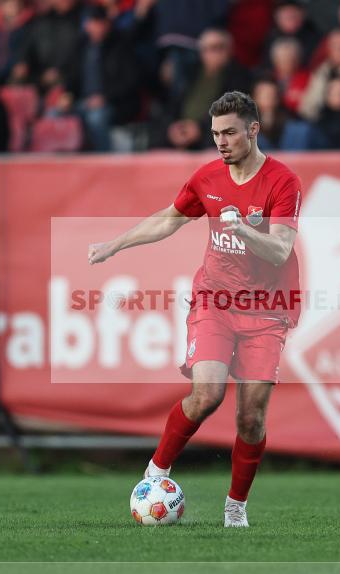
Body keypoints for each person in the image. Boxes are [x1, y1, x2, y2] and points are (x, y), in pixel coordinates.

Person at [88, 91, 302, 528]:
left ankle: (235, 506)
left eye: (229, 133)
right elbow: (169, 218)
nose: (221, 142)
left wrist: (243, 228)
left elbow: (280, 250)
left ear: (253, 130)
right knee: (207, 395)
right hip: (215, 301)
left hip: (266, 309)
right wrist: (115, 244)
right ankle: (156, 473)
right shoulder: (206, 178)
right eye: (215, 134)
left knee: (251, 416)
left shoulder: (283, 182)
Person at [61, 5, 140, 152]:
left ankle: (103, 160)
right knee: (54, 114)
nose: (96, 28)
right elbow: (71, 77)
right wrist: (67, 95)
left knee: (96, 118)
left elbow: (131, 81)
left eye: (99, 23)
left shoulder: (121, 45)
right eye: (92, 23)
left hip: (115, 103)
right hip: (82, 101)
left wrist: (105, 97)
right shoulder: (81, 46)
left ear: (107, 24)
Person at [156, 28, 251, 150]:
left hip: (211, 138)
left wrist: (199, 129)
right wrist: (171, 128)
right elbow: (172, 104)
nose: (211, 53)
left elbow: (233, 115)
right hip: (180, 131)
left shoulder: (239, 77)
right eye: (205, 48)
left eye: (217, 47)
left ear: (228, 49)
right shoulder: (190, 72)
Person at [11, 0, 84, 92]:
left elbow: (80, 58)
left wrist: (60, 73)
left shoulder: (82, 20)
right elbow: (28, 47)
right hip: (39, 77)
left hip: (69, 82)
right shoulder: (41, 21)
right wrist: (23, 61)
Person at [262, 0, 322, 66]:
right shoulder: (271, 38)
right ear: (277, 18)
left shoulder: (313, 38)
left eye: (293, 15)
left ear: (302, 15)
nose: (289, 18)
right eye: (285, 16)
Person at [0, 0, 34, 84]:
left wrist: (24, 63)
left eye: (15, 5)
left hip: (17, 73)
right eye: (9, 5)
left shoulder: (28, 26)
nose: (12, 8)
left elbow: (29, 49)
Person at [267, 37, 310, 116]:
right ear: (275, 60)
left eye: (290, 58)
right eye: (282, 58)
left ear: (298, 59)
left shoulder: (308, 78)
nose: (286, 62)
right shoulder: (267, 78)